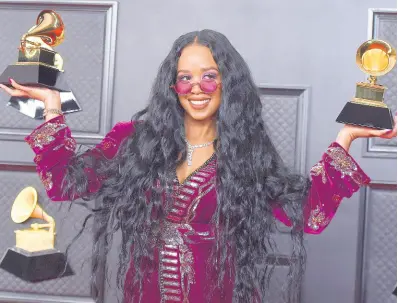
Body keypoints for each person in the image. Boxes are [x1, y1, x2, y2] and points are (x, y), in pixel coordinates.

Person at [0, 30, 396, 303]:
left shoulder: (247, 153)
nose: (195, 88)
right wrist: (51, 107)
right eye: (184, 78)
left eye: (209, 78)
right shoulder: (134, 140)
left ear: (228, 84)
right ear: (171, 86)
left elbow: (308, 214)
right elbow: (65, 184)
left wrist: (346, 138)